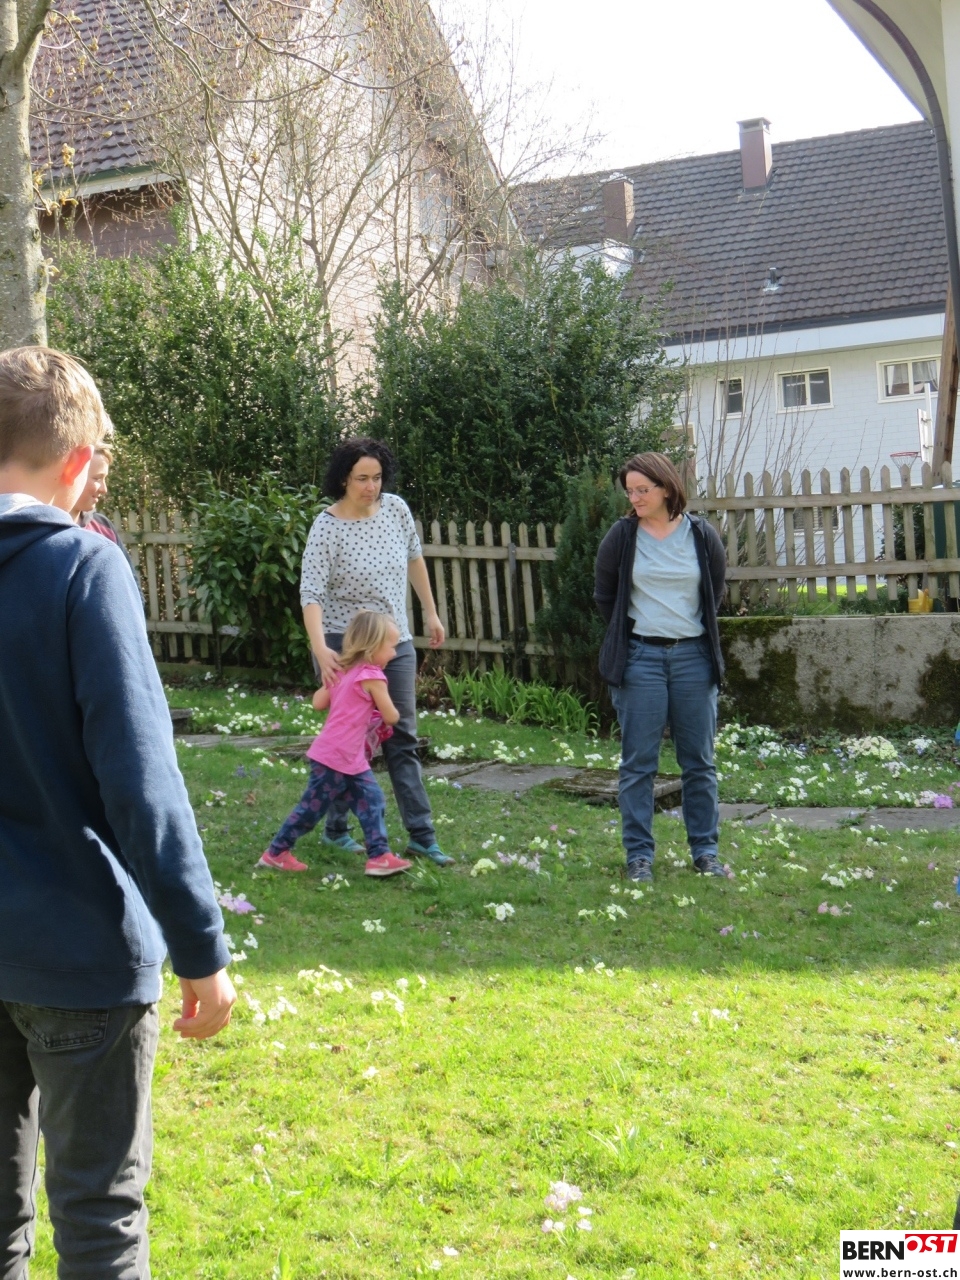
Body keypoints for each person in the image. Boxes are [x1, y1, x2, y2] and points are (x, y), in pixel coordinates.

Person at [0, 346, 235, 1278]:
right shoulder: (83, 568)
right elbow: (140, 779)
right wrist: (202, 946)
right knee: (98, 1219)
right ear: (78, 460)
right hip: (80, 954)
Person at [301, 436, 454, 867]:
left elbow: (415, 559)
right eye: (362, 479)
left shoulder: (396, 509)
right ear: (343, 480)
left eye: (377, 477)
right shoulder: (327, 527)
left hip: (393, 643)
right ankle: (336, 830)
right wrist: (321, 649)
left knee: (401, 734)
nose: (371, 487)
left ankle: (422, 837)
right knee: (347, 738)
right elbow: (310, 593)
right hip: (343, 646)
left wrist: (431, 613)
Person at [594, 451, 728, 884]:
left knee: (699, 762)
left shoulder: (701, 535)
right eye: (629, 491)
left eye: (642, 490)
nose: (634, 498)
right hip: (640, 660)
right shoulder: (622, 536)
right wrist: (633, 634)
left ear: (667, 488)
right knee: (638, 765)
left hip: (693, 659)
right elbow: (605, 596)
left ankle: (705, 852)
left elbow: (715, 592)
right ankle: (639, 857)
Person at [258, 611, 413, 878]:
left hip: (345, 756)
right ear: (372, 647)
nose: (394, 653)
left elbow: (318, 703)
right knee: (311, 808)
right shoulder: (373, 677)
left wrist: (335, 683)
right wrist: (387, 710)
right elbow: (391, 717)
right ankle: (276, 853)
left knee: (372, 801)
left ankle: (379, 856)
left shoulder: (342, 671)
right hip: (336, 758)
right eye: (390, 646)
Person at [70, 440, 138, 576]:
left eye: (104, 479)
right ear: (72, 474)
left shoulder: (104, 527)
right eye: (97, 478)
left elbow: (129, 581)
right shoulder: (43, 530)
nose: (104, 489)